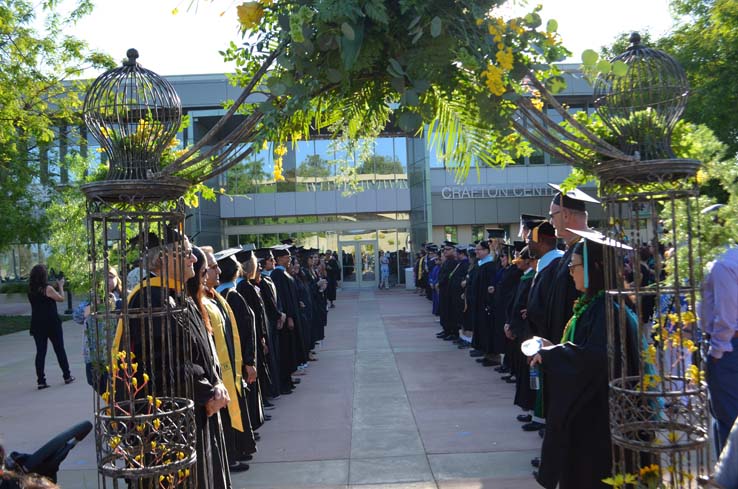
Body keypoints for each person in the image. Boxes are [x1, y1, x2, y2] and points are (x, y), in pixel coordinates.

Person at [528, 229, 639, 489]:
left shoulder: (606, 309)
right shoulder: (592, 305)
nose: (570, 272)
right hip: (589, 412)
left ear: (595, 268)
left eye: (575, 266)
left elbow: (595, 359)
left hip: (598, 417)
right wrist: (553, 349)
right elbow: (583, 351)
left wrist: (551, 355)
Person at [199, 246, 254, 473]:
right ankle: (229, 456)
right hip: (216, 376)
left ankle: (235, 450)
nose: (217, 270)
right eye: (211, 267)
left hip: (229, 369)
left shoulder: (215, 297)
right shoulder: (200, 302)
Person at [700, 245, 738, 454]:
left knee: (728, 420)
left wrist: (716, 353)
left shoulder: (723, 263)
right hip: (730, 347)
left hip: (729, 349)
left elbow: (726, 316)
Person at [27, 264, 74, 389]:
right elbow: (61, 299)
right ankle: (67, 375)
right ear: (43, 276)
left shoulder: (31, 289)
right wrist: (61, 286)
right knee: (59, 349)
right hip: (51, 323)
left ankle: (41, 380)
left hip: (37, 324)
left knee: (41, 352)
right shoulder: (47, 289)